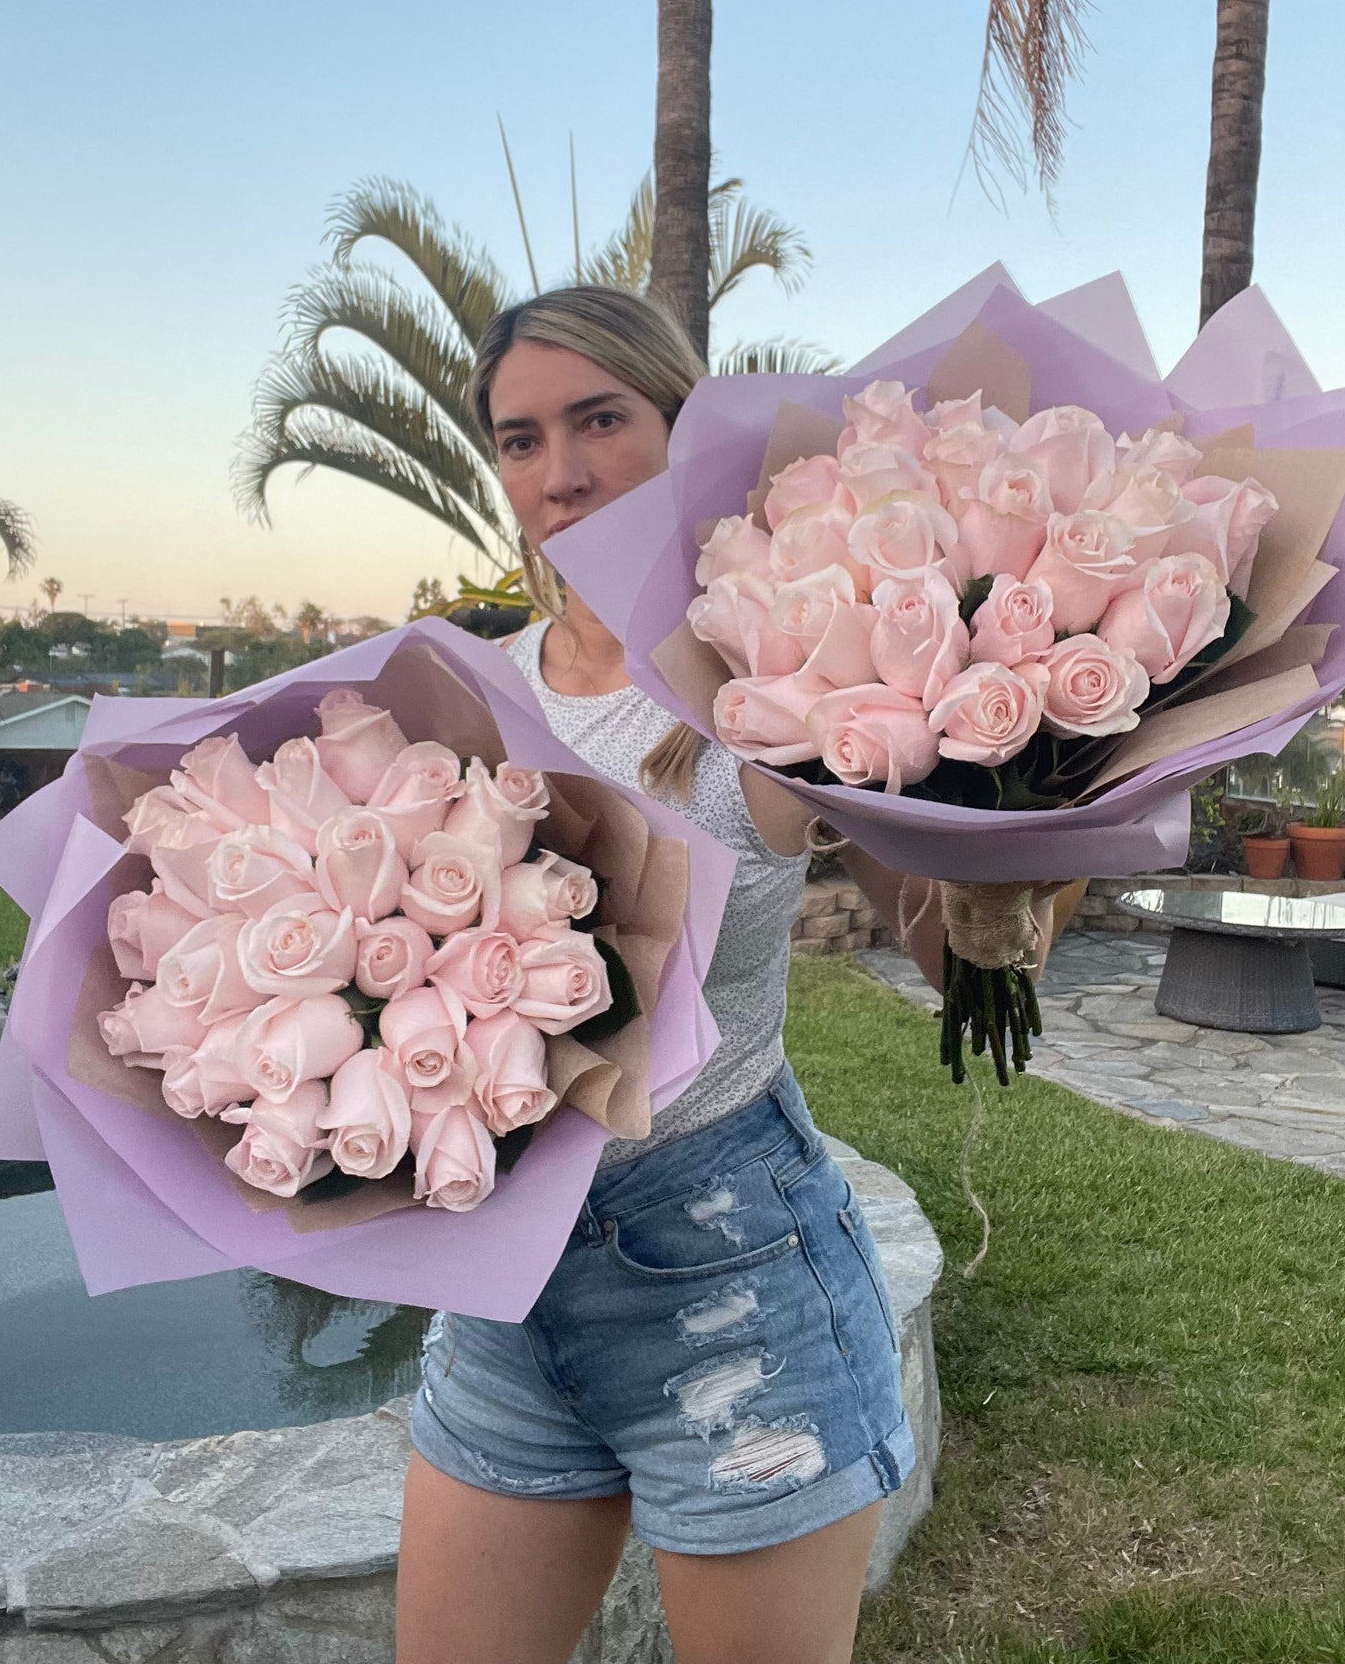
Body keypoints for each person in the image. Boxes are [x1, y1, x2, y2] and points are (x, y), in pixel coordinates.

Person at [396, 287, 1059, 1664]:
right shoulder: (462, 688)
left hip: (737, 1280)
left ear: (682, 427)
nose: (559, 469)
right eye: (518, 439)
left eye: (599, 419)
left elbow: (949, 950)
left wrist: (1016, 861)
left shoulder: (788, 675)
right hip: (502, 1299)